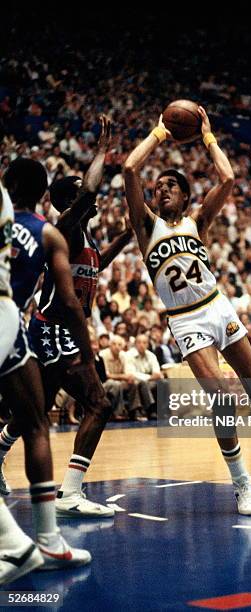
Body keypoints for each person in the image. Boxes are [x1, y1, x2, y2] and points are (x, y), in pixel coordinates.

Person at [124, 107, 251, 516]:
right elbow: (131, 169)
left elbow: (229, 179)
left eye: (171, 186)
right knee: (221, 397)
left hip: (218, 306)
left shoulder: (197, 221)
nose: (162, 189)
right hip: (184, 319)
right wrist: (160, 133)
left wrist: (208, 136)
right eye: (159, 185)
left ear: (185, 196)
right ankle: (242, 484)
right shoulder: (147, 225)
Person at [0, 116, 133, 518]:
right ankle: (71, 493)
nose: (91, 200)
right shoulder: (67, 227)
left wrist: (126, 236)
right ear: (68, 203)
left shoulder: (85, 239)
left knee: (35, 411)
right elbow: (89, 190)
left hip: (52, 329)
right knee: (98, 404)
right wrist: (101, 152)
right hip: (57, 329)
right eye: (80, 196)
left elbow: (96, 266)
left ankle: (0, 449)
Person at [0, 164, 95, 585]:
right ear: (44, 196)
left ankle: (22, 545)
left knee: (35, 420)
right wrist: (89, 356)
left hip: (19, 322)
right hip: (17, 323)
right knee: (38, 423)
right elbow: (73, 304)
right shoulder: (49, 231)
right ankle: (47, 538)